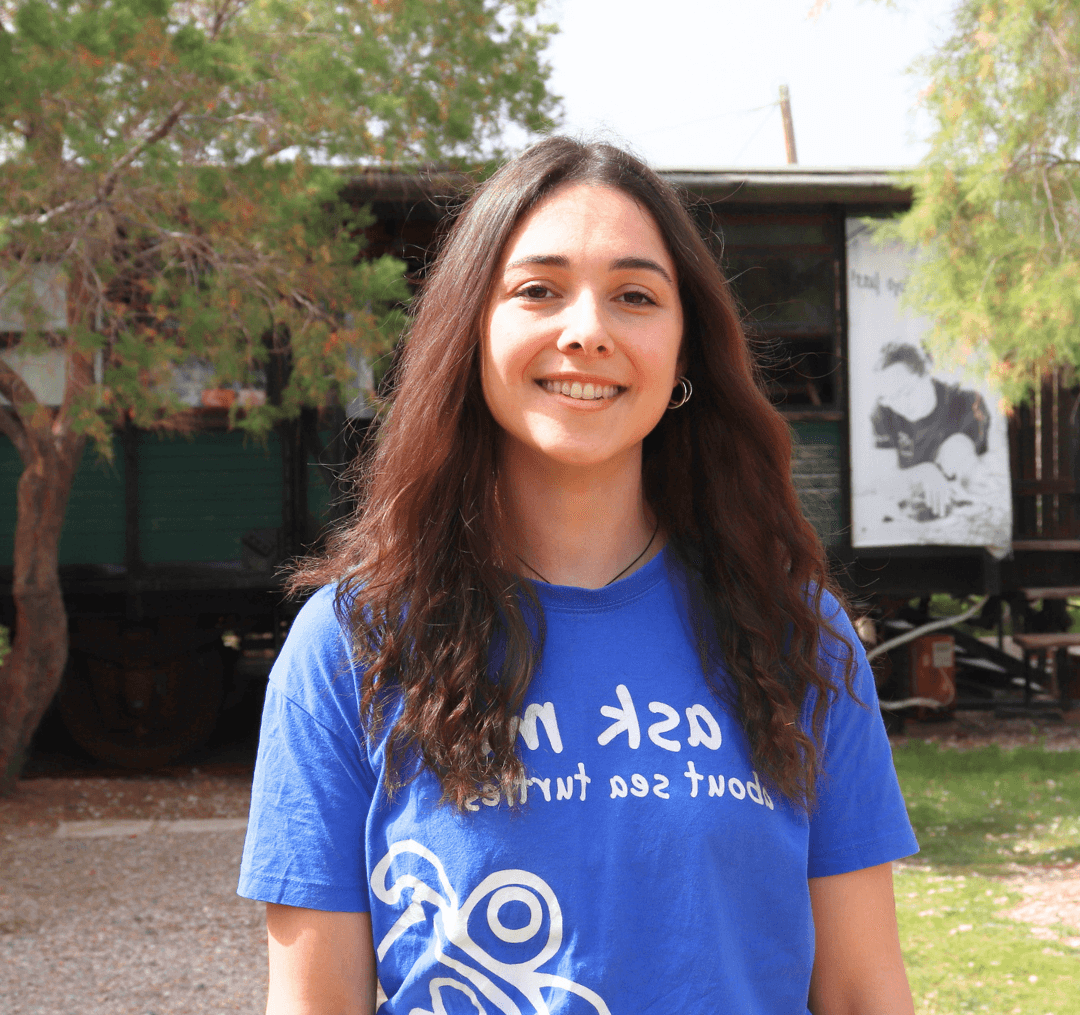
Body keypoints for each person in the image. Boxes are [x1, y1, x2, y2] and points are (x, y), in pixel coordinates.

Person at [238, 138, 918, 1015]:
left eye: (635, 296)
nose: (588, 328)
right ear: (471, 335)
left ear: (685, 353)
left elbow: (864, 992)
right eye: (538, 290)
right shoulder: (352, 644)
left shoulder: (797, 638)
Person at [870, 342, 991, 521]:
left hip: (960, 512)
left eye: (906, 392)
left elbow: (979, 471)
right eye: (890, 398)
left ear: (926, 372)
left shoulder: (965, 402)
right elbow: (881, 478)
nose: (900, 405)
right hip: (909, 520)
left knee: (955, 447)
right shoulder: (883, 411)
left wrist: (946, 472)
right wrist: (925, 473)